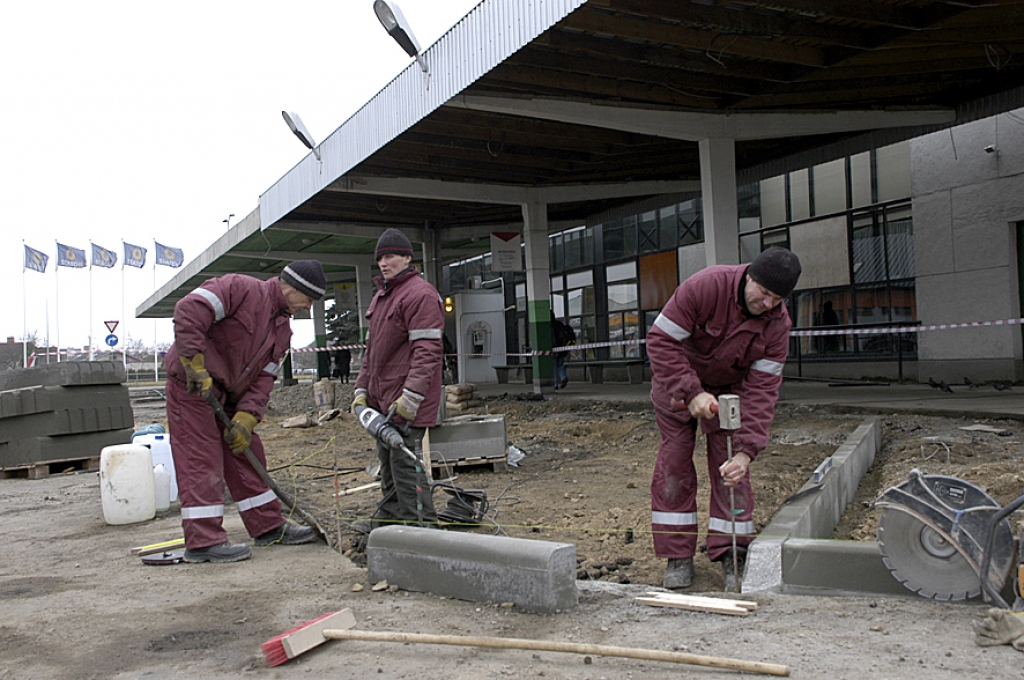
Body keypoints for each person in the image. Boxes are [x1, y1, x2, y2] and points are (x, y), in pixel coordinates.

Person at [646, 247, 801, 591]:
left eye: (778, 299)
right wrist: (692, 392)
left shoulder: (777, 325)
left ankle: (733, 552)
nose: (769, 304)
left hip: (729, 393)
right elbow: (660, 341)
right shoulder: (706, 287)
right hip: (677, 385)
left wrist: (746, 452)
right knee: (674, 466)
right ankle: (678, 556)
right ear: (749, 277)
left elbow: (763, 392)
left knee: (732, 468)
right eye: (764, 294)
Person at [164, 259, 327, 563]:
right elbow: (189, 309)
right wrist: (194, 362)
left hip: (228, 395)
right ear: (291, 287)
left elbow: (265, 378)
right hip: (193, 389)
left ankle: (268, 527)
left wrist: (247, 417)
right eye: (308, 298)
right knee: (201, 458)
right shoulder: (239, 289)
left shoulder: (282, 332)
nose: (308, 307)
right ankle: (203, 542)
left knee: (248, 451)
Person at [350, 228, 444, 531]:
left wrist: (410, 400)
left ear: (407, 257)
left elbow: (427, 353)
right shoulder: (382, 297)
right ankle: (390, 523)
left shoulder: (420, 295)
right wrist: (361, 389)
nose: (383, 262)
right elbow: (372, 353)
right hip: (382, 401)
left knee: (405, 466)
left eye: (390, 256)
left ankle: (422, 529)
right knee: (389, 466)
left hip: (404, 402)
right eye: (380, 257)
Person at [551, 313, 574, 390]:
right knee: (560, 364)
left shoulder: (549, 326)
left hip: (554, 349)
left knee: (553, 366)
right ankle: (563, 377)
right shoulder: (559, 324)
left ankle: (555, 384)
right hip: (562, 348)